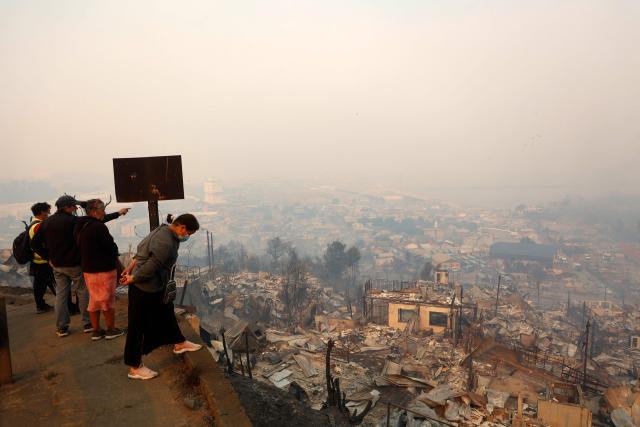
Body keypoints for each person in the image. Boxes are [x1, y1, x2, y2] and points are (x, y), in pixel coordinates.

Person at [31, 195, 129, 337]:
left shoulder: (46, 222)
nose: (76, 208)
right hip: (75, 263)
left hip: (57, 265)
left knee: (61, 295)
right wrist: (117, 214)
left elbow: (34, 244)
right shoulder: (73, 221)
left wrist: (48, 257)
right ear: (67, 207)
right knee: (83, 292)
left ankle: (61, 327)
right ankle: (88, 324)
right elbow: (95, 222)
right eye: (74, 206)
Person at [120, 214, 202, 380]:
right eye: (189, 234)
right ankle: (134, 366)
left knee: (166, 313)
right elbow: (152, 265)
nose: (187, 237)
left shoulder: (162, 229)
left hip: (155, 286)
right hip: (144, 287)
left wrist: (130, 267)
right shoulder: (166, 242)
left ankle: (179, 343)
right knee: (137, 326)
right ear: (182, 228)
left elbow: (141, 251)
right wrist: (134, 278)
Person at [75, 199, 125, 341]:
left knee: (94, 299)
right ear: (94, 211)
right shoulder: (98, 227)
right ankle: (111, 329)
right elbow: (110, 246)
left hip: (88, 268)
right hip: (104, 268)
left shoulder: (81, 225)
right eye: (102, 209)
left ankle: (96, 330)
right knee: (107, 300)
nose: (104, 212)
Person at [28, 202, 55, 314]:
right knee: (57, 285)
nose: (49, 213)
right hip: (45, 261)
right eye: (47, 211)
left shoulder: (33, 224)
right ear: (42, 212)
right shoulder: (39, 226)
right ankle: (67, 305)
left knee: (39, 285)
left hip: (37, 261)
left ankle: (40, 306)